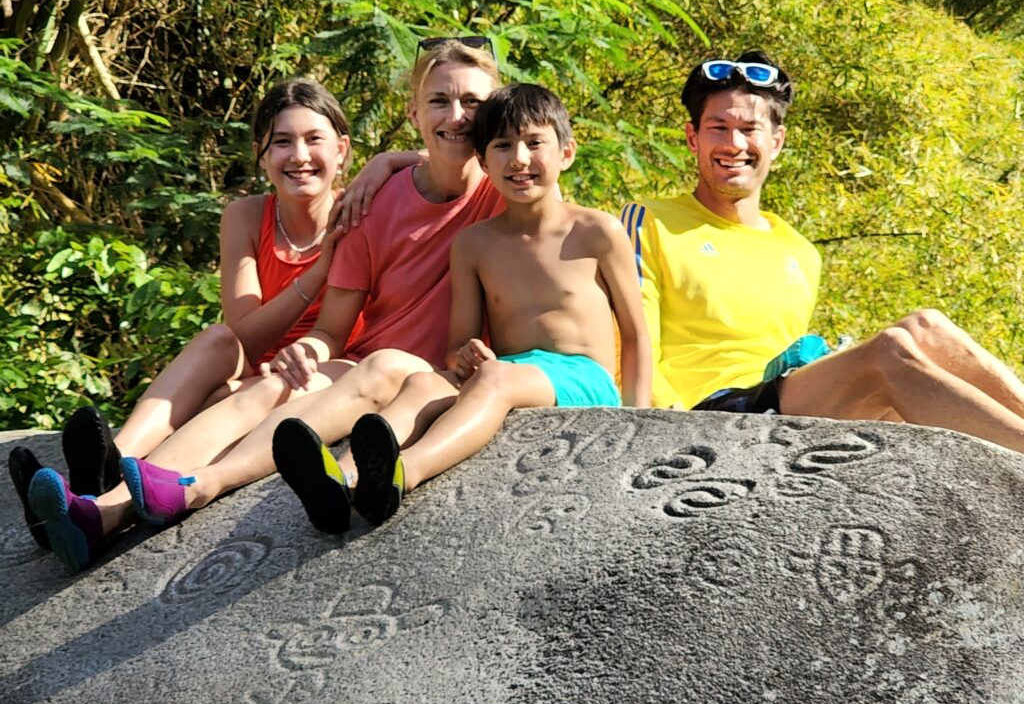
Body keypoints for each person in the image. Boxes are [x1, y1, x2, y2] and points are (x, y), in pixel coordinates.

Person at [24, 37, 508, 571]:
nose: (458, 117)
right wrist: (310, 349)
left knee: (362, 368)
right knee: (276, 384)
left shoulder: (507, 189)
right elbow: (331, 329)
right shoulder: (370, 204)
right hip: (359, 361)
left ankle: (168, 485)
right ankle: (105, 508)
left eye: (475, 104)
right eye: (440, 101)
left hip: (431, 370)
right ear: (415, 111)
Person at [274, 82, 652, 529]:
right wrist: (465, 354)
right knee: (423, 384)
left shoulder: (597, 231)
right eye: (503, 146)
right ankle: (343, 477)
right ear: (483, 161)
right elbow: (458, 346)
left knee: (495, 378)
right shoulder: (474, 244)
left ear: (566, 152)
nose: (520, 159)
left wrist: (638, 420)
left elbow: (636, 332)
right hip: (510, 368)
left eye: (535, 143)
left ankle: (405, 471)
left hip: (582, 379)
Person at [621, 51, 1024, 454]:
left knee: (926, 327)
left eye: (750, 128)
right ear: (693, 137)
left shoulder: (798, 250)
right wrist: (659, 425)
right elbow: (630, 337)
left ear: (776, 142)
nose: (734, 144)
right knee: (890, 353)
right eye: (718, 128)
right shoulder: (650, 220)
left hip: (787, 404)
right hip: (708, 413)